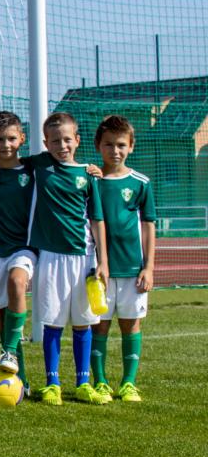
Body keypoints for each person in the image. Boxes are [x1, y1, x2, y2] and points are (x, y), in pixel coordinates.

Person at [27, 111, 108, 405]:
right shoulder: (40, 165)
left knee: (84, 322)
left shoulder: (88, 175)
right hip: (51, 257)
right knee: (53, 322)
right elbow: (5, 157)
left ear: (77, 140)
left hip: (84, 257)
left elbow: (97, 220)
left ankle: (83, 383)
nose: (62, 146)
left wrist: (103, 261)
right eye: (55, 141)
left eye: (67, 140)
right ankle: (53, 383)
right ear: (46, 143)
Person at [91, 115, 154, 403]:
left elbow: (148, 225)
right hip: (99, 270)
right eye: (108, 145)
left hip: (132, 268)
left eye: (120, 145)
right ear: (98, 146)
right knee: (99, 326)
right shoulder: (92, 180)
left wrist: (149, 267)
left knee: (131, 325)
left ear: (131, 146)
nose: (114, 151)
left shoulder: (141, 182)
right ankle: (100, 381)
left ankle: (128, 383)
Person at [0, 112, 37, 384]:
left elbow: (64, 162)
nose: (6, 144)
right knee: (4, 315)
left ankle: (9, 351)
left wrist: (90, 168)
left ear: (22, 138)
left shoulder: (33, 169)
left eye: (12, 138)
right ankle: (19, 378)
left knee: (17, 282)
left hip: (25, 248)